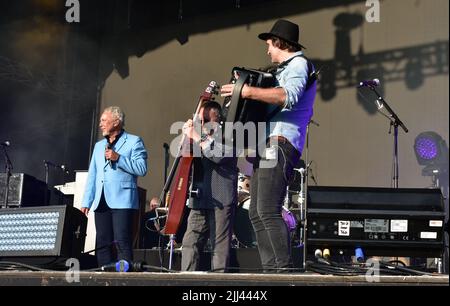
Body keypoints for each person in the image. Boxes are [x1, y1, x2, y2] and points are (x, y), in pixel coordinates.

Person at [220, 19, 317, 272]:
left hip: (281, 142)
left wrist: (247, 92)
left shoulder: (299, 64)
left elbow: (288, 96)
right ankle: (270, 270)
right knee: (256, 212)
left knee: (268, 210)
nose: (267, 51)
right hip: (268, 144)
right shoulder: (281, 69)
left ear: (279, 43)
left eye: (269, 45)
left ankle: (283, 272)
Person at [81, 106, 148, 268]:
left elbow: (142, 169)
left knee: (122, 241)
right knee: (102, 243)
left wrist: (119, 158)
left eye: (104, 120)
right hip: (101, 200)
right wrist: (86, 201)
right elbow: (93, 175)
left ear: (116, 122)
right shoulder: (98, 146)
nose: (100, 124)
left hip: (123, 200)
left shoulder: (134, 141)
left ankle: (124, 279)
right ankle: (104, 276)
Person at [181, 101, 238, 272]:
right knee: (189, 242)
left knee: (219, 248)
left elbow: (218, 155)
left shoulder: (231, 133)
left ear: (217, 119)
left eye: (206, 119)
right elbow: (183, 153)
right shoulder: (197, 134)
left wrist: (198, 137)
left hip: (221, 198)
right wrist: (187, 134)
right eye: (200, 119)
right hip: (200, 196)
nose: (203, 123)